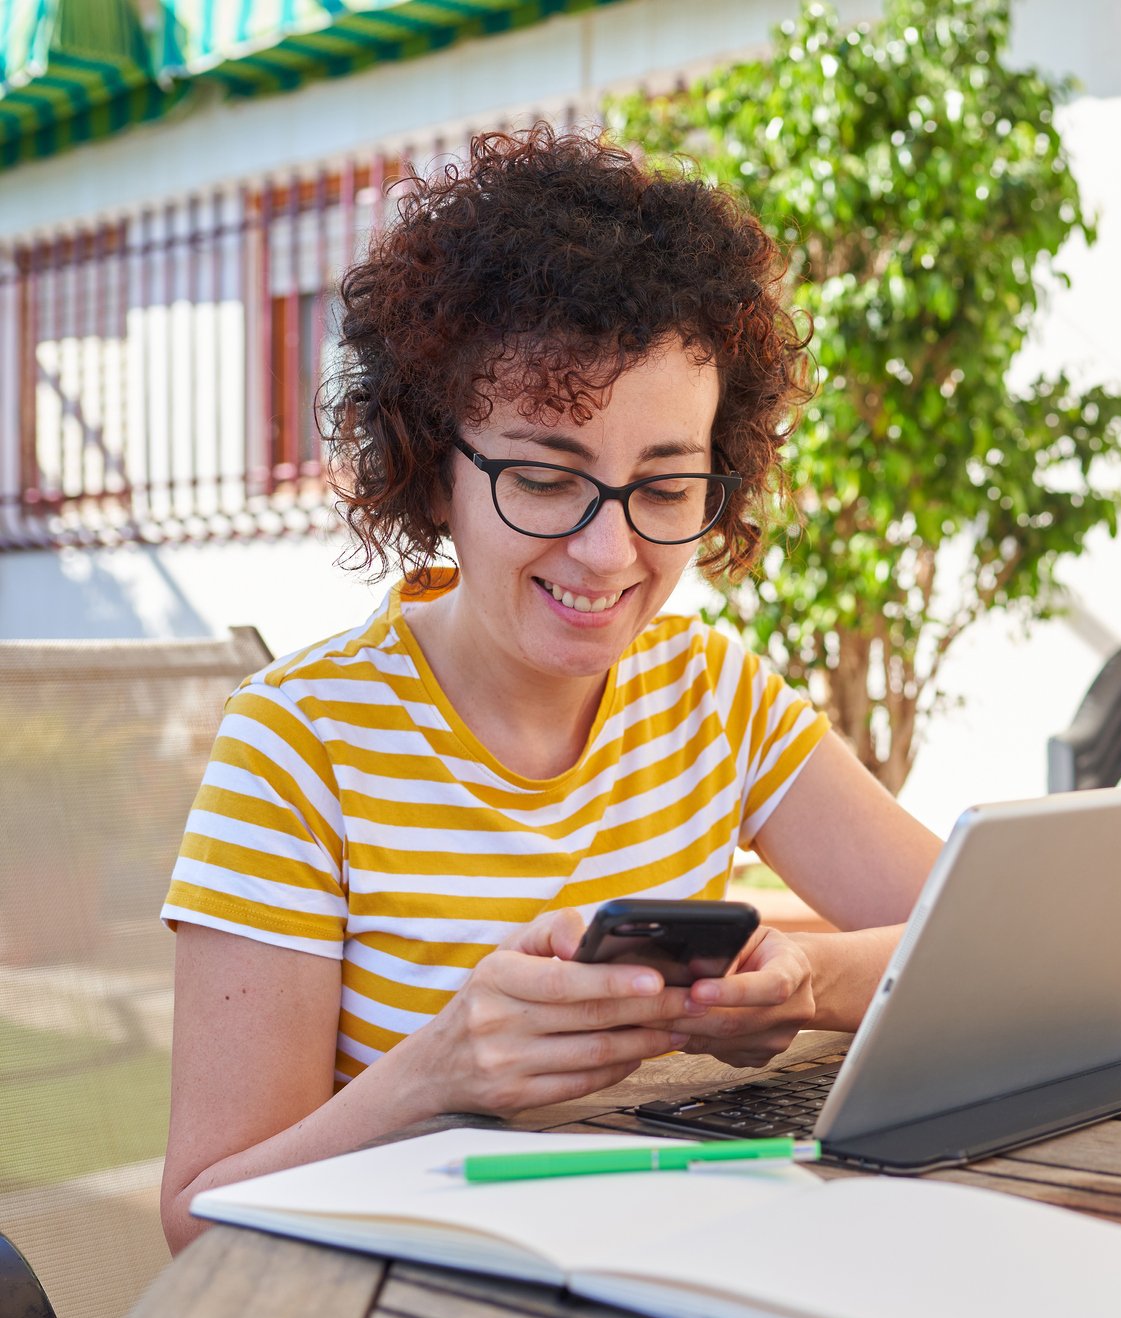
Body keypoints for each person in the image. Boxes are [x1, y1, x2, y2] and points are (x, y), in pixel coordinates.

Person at [157, 127, 942, 1253]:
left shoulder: (711, 694)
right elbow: (199, 1217)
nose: (608, 553)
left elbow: (969, 942)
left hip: (670, 1275)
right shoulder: (298, 747)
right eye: (542, 477)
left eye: (665, 486)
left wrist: (806, 977)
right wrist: (438, 1071)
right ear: (433, 466)